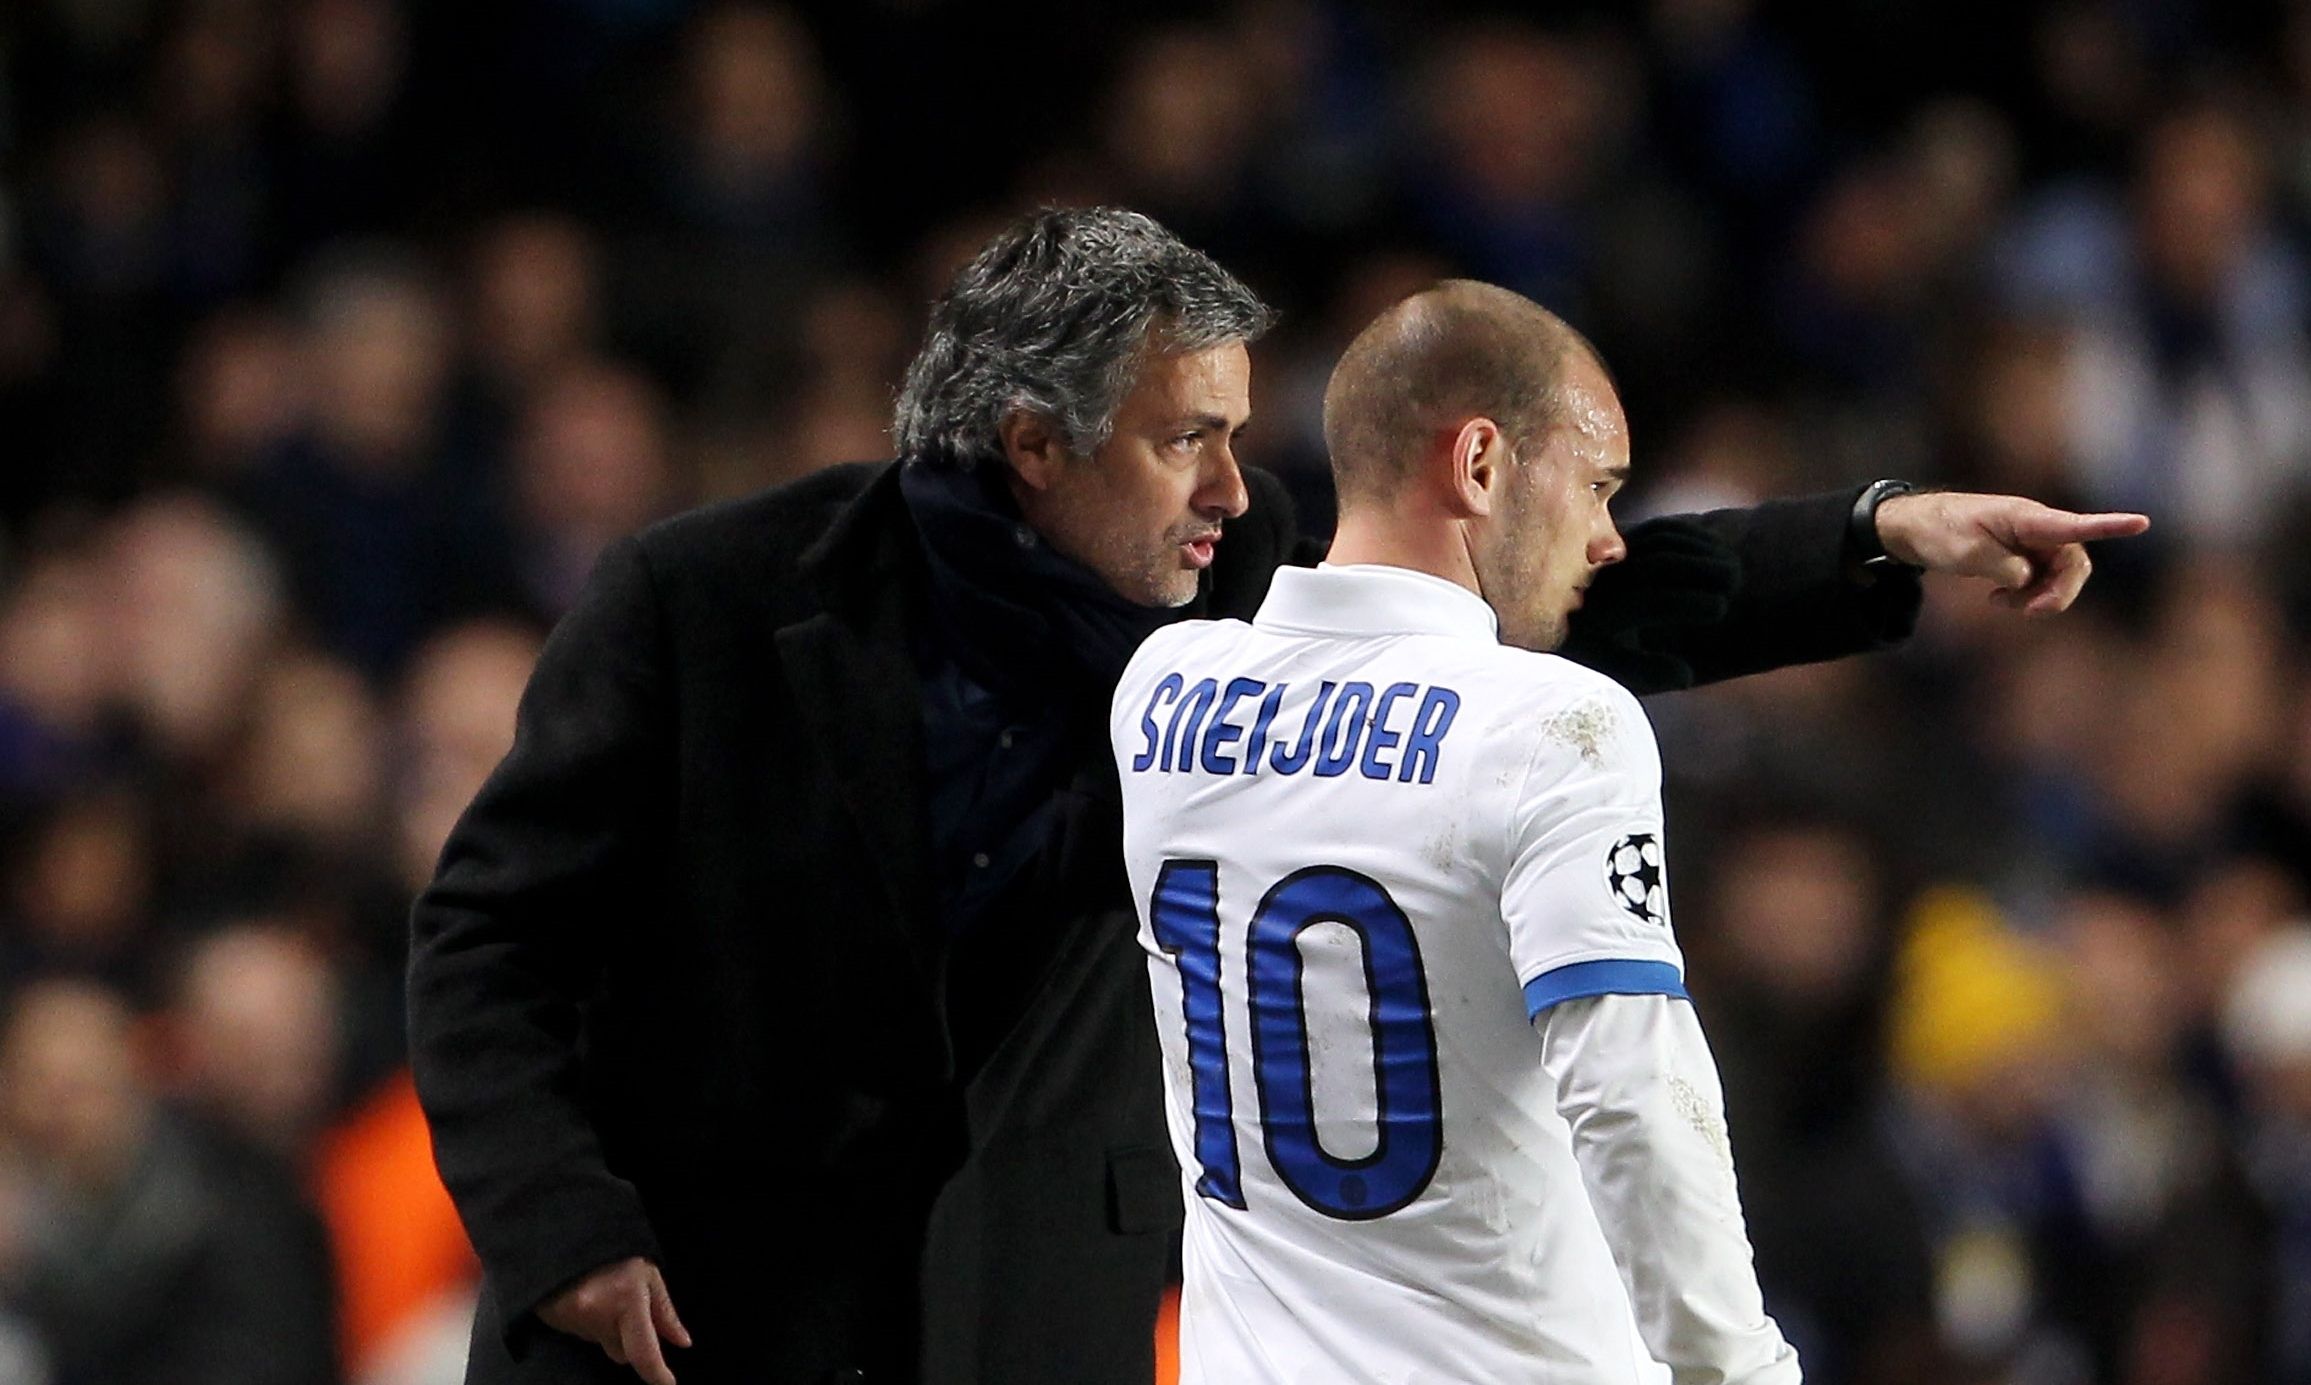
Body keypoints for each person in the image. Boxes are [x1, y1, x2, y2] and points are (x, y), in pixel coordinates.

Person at [406, 206, 2145, 1385]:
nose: (1239, 490)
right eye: (1188, 437)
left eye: (1239, 433)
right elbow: (485, 937)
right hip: (684, 1322)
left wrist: (1875, 538)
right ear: (1031, 445)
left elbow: (1560, 596)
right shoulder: (704, 602)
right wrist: (561, 1228)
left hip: (1022, 1325)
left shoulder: (1223, 611)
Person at [1111, 279, 1803, 1382]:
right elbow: (1632, 1097)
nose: (1608, 540)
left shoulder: (1161, 693)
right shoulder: (1555, 725)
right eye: (1596, 485)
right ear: (1480, 464)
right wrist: (1738, 1368)